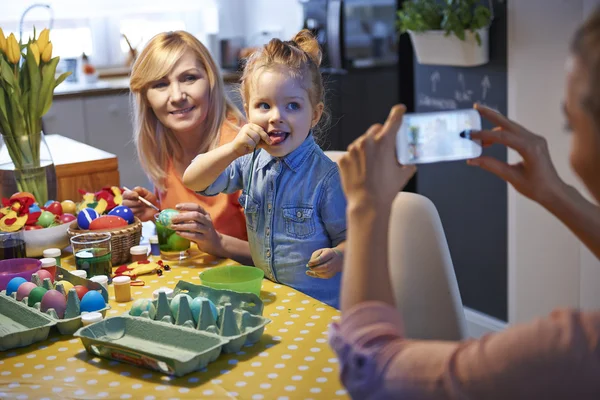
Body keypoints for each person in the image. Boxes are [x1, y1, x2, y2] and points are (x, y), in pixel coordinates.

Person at [329, 8, 600, 398]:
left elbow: (371, 372)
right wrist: (555, 191)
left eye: (569, 124)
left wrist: (366, 207)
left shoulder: (573, 352)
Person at [183, 30, 347, 308]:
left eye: (292, 106)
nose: (276, 117)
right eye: (263, 105)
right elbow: (194, 180)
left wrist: (340, 256)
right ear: (248, 110)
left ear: (315, 114)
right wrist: (233, 149)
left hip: (319, 308)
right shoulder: (249, 161)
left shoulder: (326, 178)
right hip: (272, 301)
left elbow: (353, 240)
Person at [123, 31, 252, 265]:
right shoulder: (165, 147)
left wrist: (217, 242)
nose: (177, 96)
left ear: (210, 81)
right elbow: (188, 236)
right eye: (161, 84)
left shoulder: (243, 150)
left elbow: (280, 257)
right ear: (146, 98)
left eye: (189, 78)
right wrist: (154, 213)